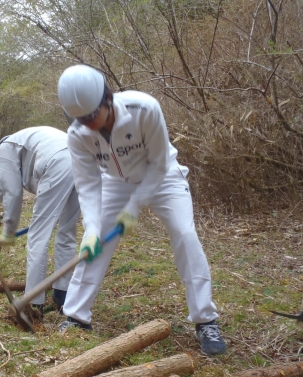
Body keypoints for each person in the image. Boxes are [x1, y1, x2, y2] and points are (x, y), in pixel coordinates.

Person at [56, 64, 227, 356]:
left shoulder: (144, 109)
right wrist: (93, 229)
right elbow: (87, 185)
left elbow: (159, 163)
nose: (88, 124)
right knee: (93, 248)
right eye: (80, 118)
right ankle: (75, 316)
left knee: (185, 235)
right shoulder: (77, 135)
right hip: (116, 181)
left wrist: (134, 207)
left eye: (92, 115)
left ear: (106, 99)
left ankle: (205, 320)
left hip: (163, 177)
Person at [0, 127, 81, 317]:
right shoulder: (29, 138)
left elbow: (11, 193)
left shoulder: (6, 148)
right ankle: (63, 295)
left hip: (58, 162)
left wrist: (9, 228)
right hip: (84, 160)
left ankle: (34, 303)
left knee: (38, 235)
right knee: (67, 231)